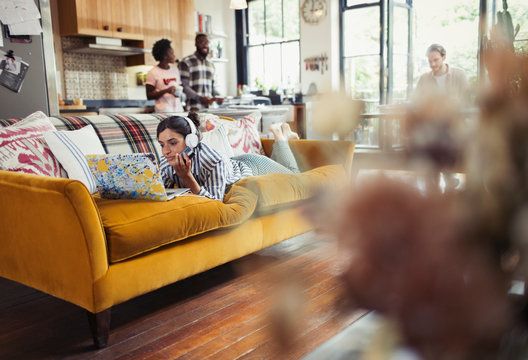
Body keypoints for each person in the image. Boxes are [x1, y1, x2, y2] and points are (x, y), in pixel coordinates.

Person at [158, 113, 299, 201]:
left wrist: (186, 177)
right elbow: (162, 193)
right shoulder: (166, 163)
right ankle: (283, 139)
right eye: (162, 145)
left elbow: (214, 202)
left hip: (251, 166)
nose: (166, 151)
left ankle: (281, 137)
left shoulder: (213, 161)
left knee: (295, 176)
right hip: (231, 165)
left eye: (173, 143)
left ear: (191, 141)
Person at [178, 33, 224, 111]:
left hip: (210, 109)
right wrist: (199, 98)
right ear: (196, 43)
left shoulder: (211, 64)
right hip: (193, 109)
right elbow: (184, 86)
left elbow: (212, 87)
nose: (205, 45)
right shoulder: (186, 62)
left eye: (206, 42)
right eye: (201, 42)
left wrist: (219, 96)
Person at [145, 38, 184, 113]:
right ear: (165, 56)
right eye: (172, 53)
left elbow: (179, 87)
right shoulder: (152, 73)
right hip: (163, 112)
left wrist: (178, 93)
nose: (174, 55)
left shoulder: (175, 69)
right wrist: (167, 90)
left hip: (179, 110)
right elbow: (149, 96)